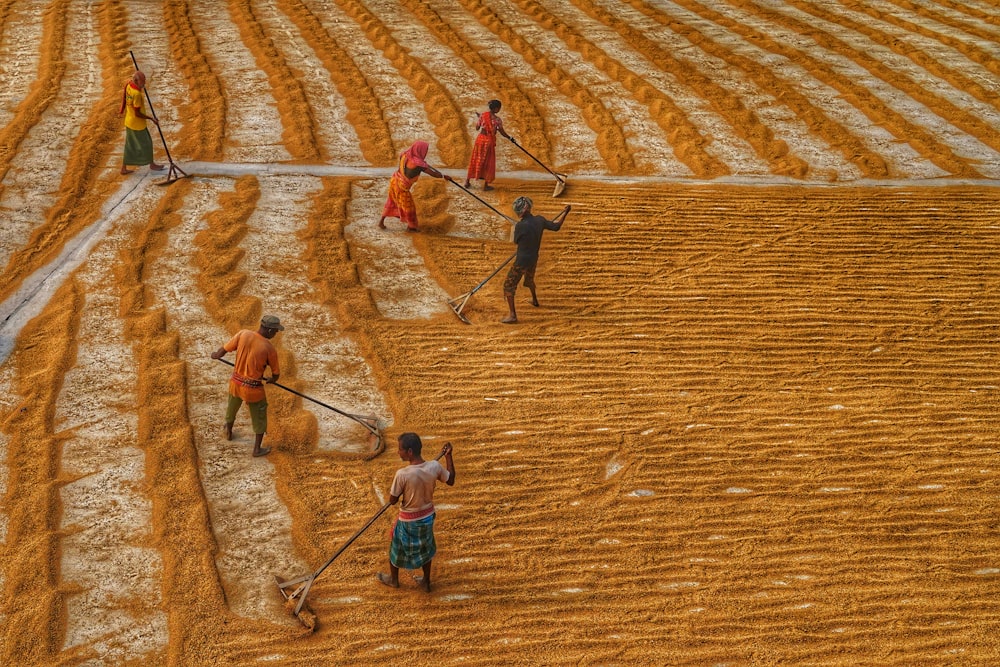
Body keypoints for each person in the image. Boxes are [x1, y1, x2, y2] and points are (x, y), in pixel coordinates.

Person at [377, 434, 456, 593]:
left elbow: (392, 500)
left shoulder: (402, 474)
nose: (399, 452)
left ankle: (394, 580)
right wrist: (448, 456)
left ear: (410, 452)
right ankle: (426, 582)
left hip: (408, 521)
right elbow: (451, 480)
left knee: (396, 548)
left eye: (401, 449)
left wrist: (397, 494)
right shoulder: (434, 466)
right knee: (426, 549)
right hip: (426, 517)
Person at [210, 315, 284, 457]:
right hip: (253, 390)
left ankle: (229, 431)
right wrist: (271, 380)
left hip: (235, 383)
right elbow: (276, 375)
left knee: (231, 408)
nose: (276, 334)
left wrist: (215, 355)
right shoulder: (269, 349)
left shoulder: (243, 334)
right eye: (275, 331)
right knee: (259, 417)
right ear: (268, 330)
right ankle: (256, 449)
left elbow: (221, 351)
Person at [502, 197, 571, 324]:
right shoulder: (540, 220)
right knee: (529, 280)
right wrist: (566, 213)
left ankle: (512, 315)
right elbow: (556, 227)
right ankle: (534, 300)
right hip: (533, 258)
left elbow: (516, 241)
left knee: (508, 286)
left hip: (521, 261)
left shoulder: (520, 226)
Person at [378, 141, 452, 232]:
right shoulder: (419, 165)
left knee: (391, 201)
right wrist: (444, 176)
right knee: (410, 208)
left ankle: (381, 222)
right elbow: (434, 174)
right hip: (402, 187)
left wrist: (423, 162)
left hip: (395, 180)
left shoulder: (404, 155)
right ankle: (411, 227)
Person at [119, 71, 164, 175]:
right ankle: (152, 164)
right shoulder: (137, 95)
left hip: (129, 121)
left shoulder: (129, 84)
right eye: (142, 82)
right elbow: (137, 114)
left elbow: (125, 99)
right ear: (136, 81)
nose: (144, 84)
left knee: (130, 146)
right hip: (137, 124)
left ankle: (123, 168)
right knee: (147, 143)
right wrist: (151, 118)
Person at [464, 99, 513, 191]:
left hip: (480, 140)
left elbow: (477, 128)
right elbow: (502, 132)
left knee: (475, 159)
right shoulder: (497, 120)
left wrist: (480, 118)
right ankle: (485, 185)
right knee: (488, 162)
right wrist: (510, 138)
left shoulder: (483, 115)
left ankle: (467, 182)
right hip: (489, 142)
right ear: (496, 109)